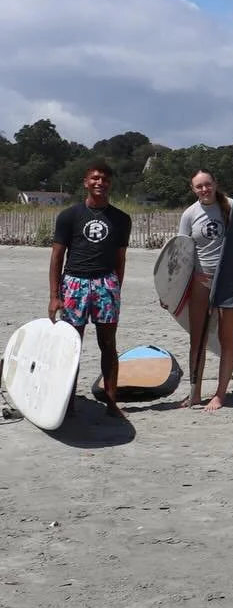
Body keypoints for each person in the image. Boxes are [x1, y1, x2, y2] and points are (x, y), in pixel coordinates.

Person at [49, 161, 131, 417]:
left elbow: (120, 259)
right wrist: (54, 296)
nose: (100, 182)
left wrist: (115, 288)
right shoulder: (69, 216)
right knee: (72, 344)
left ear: (110, 183)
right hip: (74, 283)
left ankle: (111, 401)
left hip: (106, 284)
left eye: (105, 179)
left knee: (108, 343)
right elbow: (56, 256)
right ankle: (67, 400)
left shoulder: (121, 219)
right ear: (86, 182)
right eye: (95, 178)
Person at [177, 170, 233, 411]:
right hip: (200, 280)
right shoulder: (189, 214)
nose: (204, 190)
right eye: (199, 186)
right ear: (193, 189)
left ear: (216, 184)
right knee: (198, 339)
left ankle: (220, 394)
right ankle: (195, 393)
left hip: (229, 282)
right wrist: (172, 291)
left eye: (207, 184)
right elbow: (180, 254)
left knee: (227, 339)